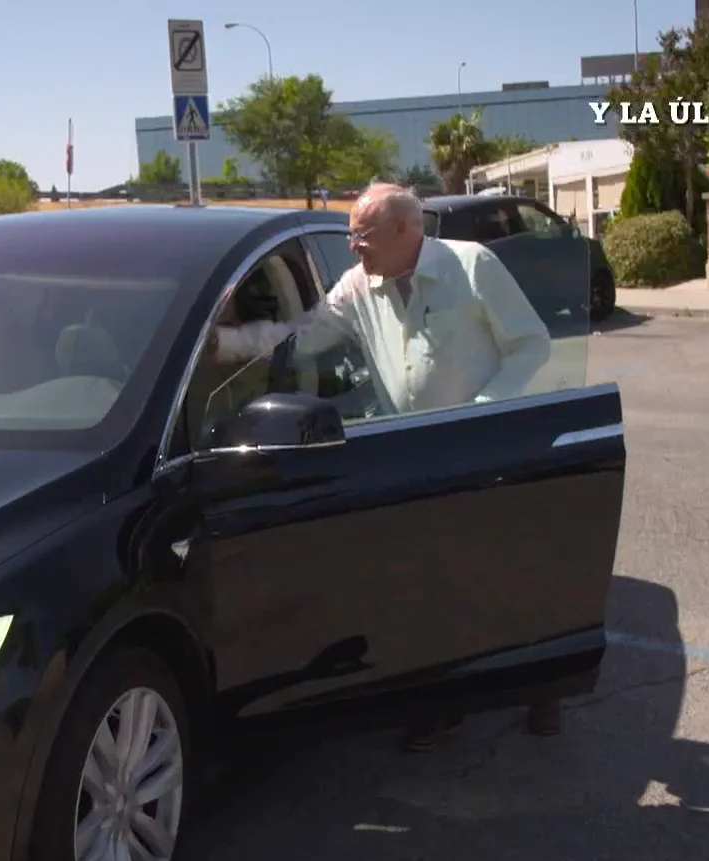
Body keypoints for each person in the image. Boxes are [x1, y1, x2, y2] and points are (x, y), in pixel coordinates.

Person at [209, 181, 564, 752]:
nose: (353, 248)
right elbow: (300, 339)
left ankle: (545, 685)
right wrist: (223, 344)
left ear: (406, 230)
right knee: (427, 582)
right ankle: (439, 704)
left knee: (502, 573)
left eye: (362, 236)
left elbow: (531, 344)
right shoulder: (358, 286)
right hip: (411, 452)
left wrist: (483, 413)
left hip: (482, 444)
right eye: (350, 237)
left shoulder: (473, 267)